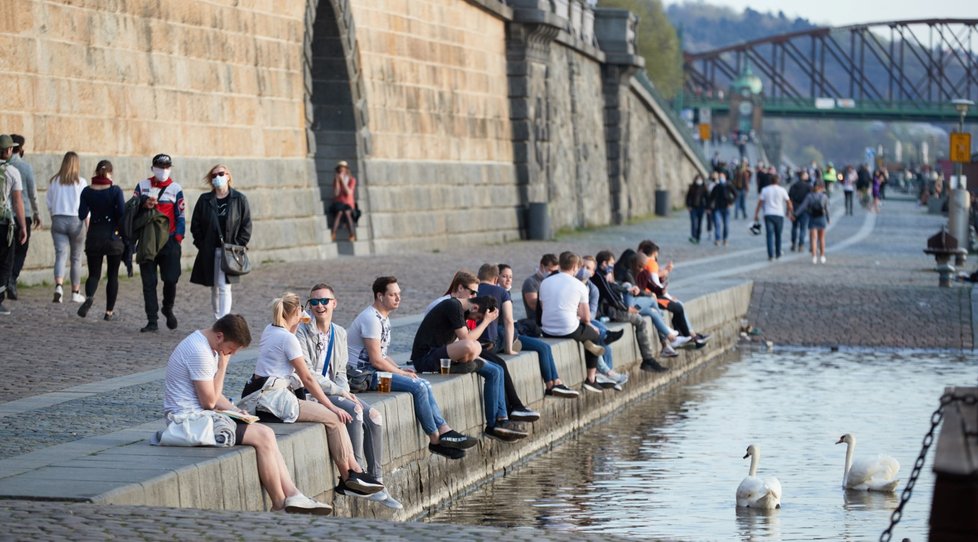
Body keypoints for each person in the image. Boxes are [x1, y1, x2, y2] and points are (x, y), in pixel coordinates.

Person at [161, 314, 331, 515]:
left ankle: (292, 495)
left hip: (199, 416)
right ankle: (280, 502)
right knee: (263, 435)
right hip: (188, 422)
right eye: (231, 349)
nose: (230, 354)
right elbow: (209, 401)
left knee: (265, 432)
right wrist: (223, 367)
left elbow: (213, 396)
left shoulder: (205, 346)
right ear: (220, 336)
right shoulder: (200, 352)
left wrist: (234, 410)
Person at [239, 293, 384, 496]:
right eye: (301, 311)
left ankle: (356, 472)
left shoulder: (270, 330)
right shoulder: (289, 340)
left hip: (266, 396)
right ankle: (348, 477)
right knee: (334, 418)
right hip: (276, 400)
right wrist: (331, 406)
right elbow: (307, 378)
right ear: (298, 312)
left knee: (334, 417)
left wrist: (296, 322)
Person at [295, 283, 402, 509]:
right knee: (353, 412)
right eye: (314, 302)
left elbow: (341, 373)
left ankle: (377, 482)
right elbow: (308, 374)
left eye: (324, 301)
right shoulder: (302, 332)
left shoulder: (339, 332)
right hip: (311, 392)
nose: (319, 306)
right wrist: (341, 394)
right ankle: (356, 476)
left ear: (335, 303)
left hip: (335, 389)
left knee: (373, 415)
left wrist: (346, 393)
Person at [348, 276, 477, 460]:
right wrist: (400, 373)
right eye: (393, 295)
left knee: (424, 383)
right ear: (379, 296)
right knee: (418, 387)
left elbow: (382, 355)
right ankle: (435, 440)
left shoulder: (383, 318)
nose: (398, 298)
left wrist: (399, 368)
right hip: (363, 376)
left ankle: (444, 429)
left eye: (399, 294)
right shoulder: (371, 319)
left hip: (375, 372)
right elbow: (376, 360)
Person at [412, 272, 532, 441]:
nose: (475, 320)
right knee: (472, 345)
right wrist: (486, 322)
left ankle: (498, 422)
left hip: (444, 355)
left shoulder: (460, 309)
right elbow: (466, 340)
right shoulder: (452, 306)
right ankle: (462, 364)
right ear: (475, 308)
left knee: (496, 370)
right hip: (426, 358)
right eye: (477, 317)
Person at [483, 263, 579, 398]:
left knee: (545, 347)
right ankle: (552, 385)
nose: (508, 280)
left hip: (508, 333)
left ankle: (554, 383)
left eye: (510, 277)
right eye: (504, 276)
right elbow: (506, 322)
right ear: (496, 278)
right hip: (504, 336)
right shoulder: (499, 293)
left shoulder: (504, 292)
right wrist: (509, 348)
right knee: (543, 347)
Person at [190, 164, 252, 321]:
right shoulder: (205, 200)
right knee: (214, 287)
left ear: (228, 175)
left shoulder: (239, 199)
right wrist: (202, 244)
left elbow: (246, 225)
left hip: (230, 250)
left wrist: (238, 245)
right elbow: (195, 224)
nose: (217, 177)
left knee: (225, 287)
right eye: (214, 175)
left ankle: (223, 321)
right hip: (210, 250)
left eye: (221, 173)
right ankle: (218, 318)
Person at [539, 251, 605, 393]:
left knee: (585, 333)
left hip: (546, 329)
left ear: (560, 264)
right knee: (594, 334)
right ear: (575, 266)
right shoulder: (579, 285)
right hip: (568, 329)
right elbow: (586, 318)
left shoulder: (545, 282)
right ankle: (591, 379)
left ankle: (587, 344)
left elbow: (544, 307)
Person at [592, 250, 668, 372]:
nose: (613, 266)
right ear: (604, 263)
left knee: (642, 313)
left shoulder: (604, 274)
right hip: (607, 310)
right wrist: (626, 308)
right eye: (611, 263)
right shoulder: (599, 276)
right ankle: (648, 360)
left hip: (610, 308)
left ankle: (649, 359)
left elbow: (613, 287)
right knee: (640, 321)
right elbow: (610, 296)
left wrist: (627, 290)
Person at [135, 153, 186, 332]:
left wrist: (178, 238)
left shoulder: (175, 188)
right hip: (148, 241)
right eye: (159, 166)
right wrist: (144, 203)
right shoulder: (142, 186)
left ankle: (167, 307)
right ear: (153, 168)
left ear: (170, 168)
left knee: (171, 279)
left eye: (166, 167)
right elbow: (132, 209)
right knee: (149, 283)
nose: (163, 170)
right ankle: (152, 320)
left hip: (169, 241)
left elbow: (181, 216)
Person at [76, 160, 125, 320]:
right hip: (113, 237)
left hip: (94, 236)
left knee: (94, 274)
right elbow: (122, 214)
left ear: (96, 172)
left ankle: (89, 296)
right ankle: (109, 312)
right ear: (110, 173)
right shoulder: (115, 191)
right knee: (113, 275)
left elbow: (82, 214)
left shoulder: (87, 191)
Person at [46, 151, 88, 303]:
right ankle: (76, 293)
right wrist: (88, 226)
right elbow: (86, 207)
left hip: (58, 219)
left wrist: (54, 216)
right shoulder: (81, 182)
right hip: (76, 220)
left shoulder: (54, 181)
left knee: (60, 255)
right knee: (76, 258)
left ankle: (58, 286)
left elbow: (49, 203)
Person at [6, 134, 39, 300]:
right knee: (20, 251)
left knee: (7, 251)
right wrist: (36, 213)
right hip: (22, 215)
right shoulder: (25, 167)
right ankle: (11, 278)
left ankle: (6, 280)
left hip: (6, 215)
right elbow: (32, 193)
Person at [0, 134, 28, 316]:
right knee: (5, 262)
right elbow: (18, 202)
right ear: (10, 150)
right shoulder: (12, 171)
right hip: (4, 223)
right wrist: (23, 226)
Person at [754, 174, 793, 261]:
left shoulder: (765, 190)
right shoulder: (782, 190)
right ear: (778, 181)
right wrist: (789, 212)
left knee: (769, 235)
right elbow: (789, 203)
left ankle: (770, 255)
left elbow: (760, 203)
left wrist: (756, 214)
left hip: (768, 214)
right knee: (778, 235)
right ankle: (778, 252)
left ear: (770, 181)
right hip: (779, 214)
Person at [794, 181, 830, 264]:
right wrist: (828, 219)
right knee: (822, 238)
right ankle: (822, 256)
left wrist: (795, 214)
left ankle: (814, 257)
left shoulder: (809, 196)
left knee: (813, 239)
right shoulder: (824, 196)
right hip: (822, 218)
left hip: (812, 218)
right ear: (821, 188)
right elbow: (827, 209)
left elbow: (803, 206)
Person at [521, 253, 558, 320]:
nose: (553, 274)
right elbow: (533, 305)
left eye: (555, 271)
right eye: (550, 270)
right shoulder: (531, 282)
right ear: (542, 266)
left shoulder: (556, 281)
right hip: (536, 321)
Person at [329, 160, 358, 242]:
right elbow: (336, 193)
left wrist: (343, 181)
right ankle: (333, 233)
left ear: (346, 170)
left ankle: (352, 235)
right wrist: (338, 181)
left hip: (348, 203)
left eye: (343, 169)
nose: (341, 171)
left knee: (347, 212)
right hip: (338, 203)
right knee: (340, 212)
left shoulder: (352, 180)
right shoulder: (336, 180)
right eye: (340, 169)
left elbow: (348, 192)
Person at [787, 170, 812, 252]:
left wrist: (788, 210)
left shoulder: (793, 186)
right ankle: (801, 244)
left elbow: (789, 198)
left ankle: (793, 244)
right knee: (803, 228)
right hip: (804, 210)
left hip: (794, 208)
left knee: (794, 227)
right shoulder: (808, 186)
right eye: (806, 175)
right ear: (803, 176)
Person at [708, 171, 733, 246]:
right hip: (717, 208)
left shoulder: (728, 185)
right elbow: (711, 197)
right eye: (720, 177)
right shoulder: (716, 186)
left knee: (726, 225)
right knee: (718, 224)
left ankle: (725, 239)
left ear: (725, 177)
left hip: (726, 208)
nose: (721, 178)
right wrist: (709, 207)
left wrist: (731, 203)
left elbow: (735, 194)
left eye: (722, 176)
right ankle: (718, 239)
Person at [685, 174, 708, 244]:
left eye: (700, 179)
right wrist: (688, 205)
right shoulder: (692, 187)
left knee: (699, 223)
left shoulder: (704, 188)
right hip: (693, 208)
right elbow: (688, 197)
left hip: (701, 208)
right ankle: (693, 236)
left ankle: (698, 236)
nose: (699, 180)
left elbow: (707, 198)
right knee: (693, 223)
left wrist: (707, 207)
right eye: (697, 179)